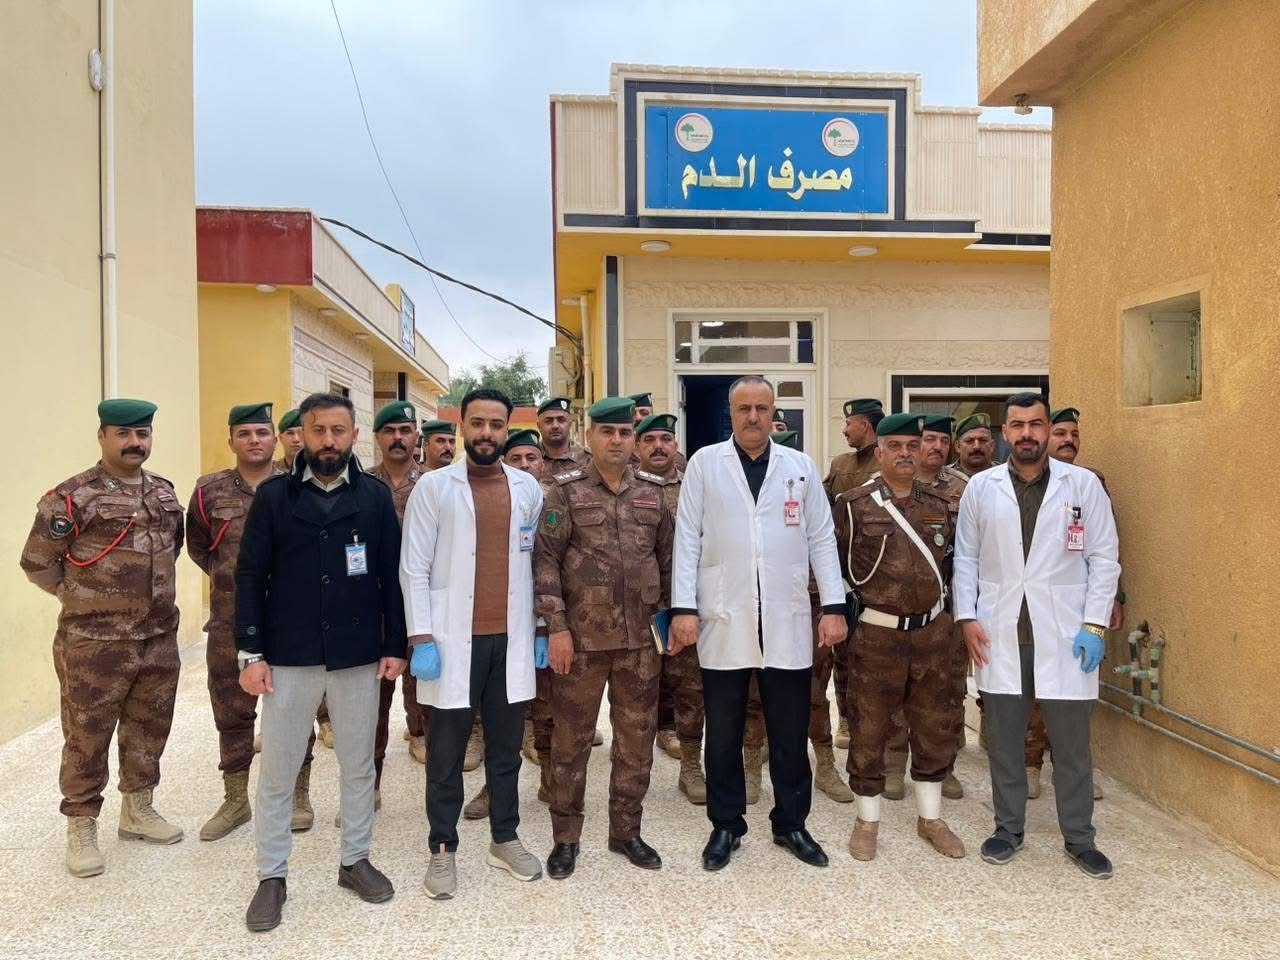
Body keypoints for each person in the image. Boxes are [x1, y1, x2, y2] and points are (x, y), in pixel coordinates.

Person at [235, 392, 407, 931]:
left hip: (357, 654)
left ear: (353, 435)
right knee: (279, 770)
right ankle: (272, 876)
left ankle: (355, 861)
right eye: (318, 430)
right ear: (302, 435)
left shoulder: (374, 496)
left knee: (358, 764)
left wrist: (395, 645)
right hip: (290, 654)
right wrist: (251, 652)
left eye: (337, 430)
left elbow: (391, 575)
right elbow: (249, 576)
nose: (328, 440)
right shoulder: (274, 496)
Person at [670, 376, 847, 872]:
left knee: (789, 730)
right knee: (723, 731)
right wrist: (683, 608)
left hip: (786, 616)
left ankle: (791, 823)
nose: (752, 416)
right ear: (730, 414)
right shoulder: (705, 463)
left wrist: (834, 606)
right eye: (743, 408)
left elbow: (821, 539)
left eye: (761, 408)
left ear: (774, 413)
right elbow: (688, 539)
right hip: (723, 613)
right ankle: (726, 824)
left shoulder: (800, 467)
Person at [954, 392, 1120, 880]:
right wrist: (967, 617)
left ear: (1047, 430)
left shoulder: (1082, 485)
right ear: (1005, 433)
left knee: (1071, 746)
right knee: (1004, 742)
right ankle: (1008, 830)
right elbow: (965, 557)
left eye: (1036, 424)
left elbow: (1104, 558)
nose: (1027, 433)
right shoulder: (981, 488)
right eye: (1018, 425)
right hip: (1000, 630)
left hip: (1066, 633)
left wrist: (1094, 625)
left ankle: (1080, 838)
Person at [21, 399, 186, 878]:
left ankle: (138, 810)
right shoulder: (73, 496)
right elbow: (38, 563)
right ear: (102, 436)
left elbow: (174, 549)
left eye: (142, 434)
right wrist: (83, 599)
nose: (135, 442)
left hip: (158, 636)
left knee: (149, 727)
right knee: (86, 735)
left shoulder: (163, 492)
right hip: (95, 642)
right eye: (123, 433)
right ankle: (81, 825)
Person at [401, 387, 545, 900]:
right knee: (445, 755)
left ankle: (504, 838)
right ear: (462, 426)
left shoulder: (527, 488)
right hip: (450, 641)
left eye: (496, 425)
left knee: (506, 750)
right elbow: (413, 567)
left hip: (510, 639)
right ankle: (442, 848)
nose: (487, 433)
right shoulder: (433, 487)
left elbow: (537, 563)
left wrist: (540, 628)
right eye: (478, 423)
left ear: (507, 429)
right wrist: (421, 637)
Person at [536, 397, 675, 878]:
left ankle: (626, 832)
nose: (617, 440)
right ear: (589, 436)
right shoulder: (564, 493)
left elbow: (668, 563)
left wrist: (669, 624)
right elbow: (545, 563)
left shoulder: (653, 494)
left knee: (636, 743)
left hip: (640, 644)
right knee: (570, 744)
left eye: (624, 432)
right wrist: (556, 628)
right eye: (607, 432)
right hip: (581, 644)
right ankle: (565, 838)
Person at [836, 413, 965, 862]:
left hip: (932, 634)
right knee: (869, 727)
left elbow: (956, 565)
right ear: (879, 452)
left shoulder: (940, 505)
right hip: (876, 635)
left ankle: (931, 819)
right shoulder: (854, 504)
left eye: (913, 445)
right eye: (895, 446)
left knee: (935, 725)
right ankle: (867, 821)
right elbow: (833, 567)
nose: (906, 454)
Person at [187, 403, 316, 840]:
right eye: (244, 434)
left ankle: (298, 794)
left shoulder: (299, 486)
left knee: (296, 710)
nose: (254, 441)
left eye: (262, 432)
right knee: (231, 711)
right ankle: (235, 799)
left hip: (291, 621)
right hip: (230, 621)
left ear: (274, 439)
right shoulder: (209, 491)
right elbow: (201, 548)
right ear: (231, 441)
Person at [1023, 407, 1124, 801]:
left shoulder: (1090, 483)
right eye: (1061, 433)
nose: (1068, 440)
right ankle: (1030, 763)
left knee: (1075, 696)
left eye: (1074, 434)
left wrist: (1113, 598)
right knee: (1034, 692)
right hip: (1031, 607)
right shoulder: (1017, 482)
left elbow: (1106, 548)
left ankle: (1071, 770)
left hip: (1080, 608)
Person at [463, 427, 549, 823]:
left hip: (547, 624)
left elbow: (554, 567)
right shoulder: (494, 498)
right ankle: (493, 789)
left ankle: (552, 780)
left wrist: (547, 625)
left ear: (542, 462)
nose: (526, 465)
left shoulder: (557, 500)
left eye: (532, 458)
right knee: (500, 718)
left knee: (550, 712)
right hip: (501, 626)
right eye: (517, 459)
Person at [881, 414, 968, 803]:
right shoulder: (886, 489)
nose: (935, 447)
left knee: (942, 695)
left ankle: (941, 767)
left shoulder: (963, 489)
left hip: (944, 609)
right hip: (894, 611)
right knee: (896, 691)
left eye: (942, 440)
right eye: (927, 440)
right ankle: (894, 765)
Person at [635, 413, 707, 805]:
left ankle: (691, 766)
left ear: (675, 445)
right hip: (637, 609)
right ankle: (631, 768)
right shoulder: (625, 487)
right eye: (649, 440)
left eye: (665, 439)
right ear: (637, 447)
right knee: (634, 694)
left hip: (684, 605)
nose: (658, 446)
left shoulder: (696, 485)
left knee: (690, 689)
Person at [367, 402, 427, 776]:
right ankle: (369, 777)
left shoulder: (435, 484)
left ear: (416, 435)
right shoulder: (361, 485)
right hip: (373, 607)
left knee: (423, 688)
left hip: (421, 605)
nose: (398, 438)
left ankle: (419, 736)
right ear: (377, 438)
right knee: (372, 698)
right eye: (389, 431)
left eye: (405, 430)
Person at [821, 398, 884, 751]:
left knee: (879, 657)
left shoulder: (886, 459)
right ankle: (846, 718)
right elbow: (823, 507)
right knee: (843, 654)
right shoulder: (840, 465)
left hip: (882, 574)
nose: (845, 430)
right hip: (846, 575)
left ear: (866, 426)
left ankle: (877, 723)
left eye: (850, 423)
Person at [537, 397, 589, 479]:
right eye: (548, 421)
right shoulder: (528, 459)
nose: (555, 426)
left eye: (561, 420)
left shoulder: (588, 459)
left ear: (570, 424)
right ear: (539, 426)